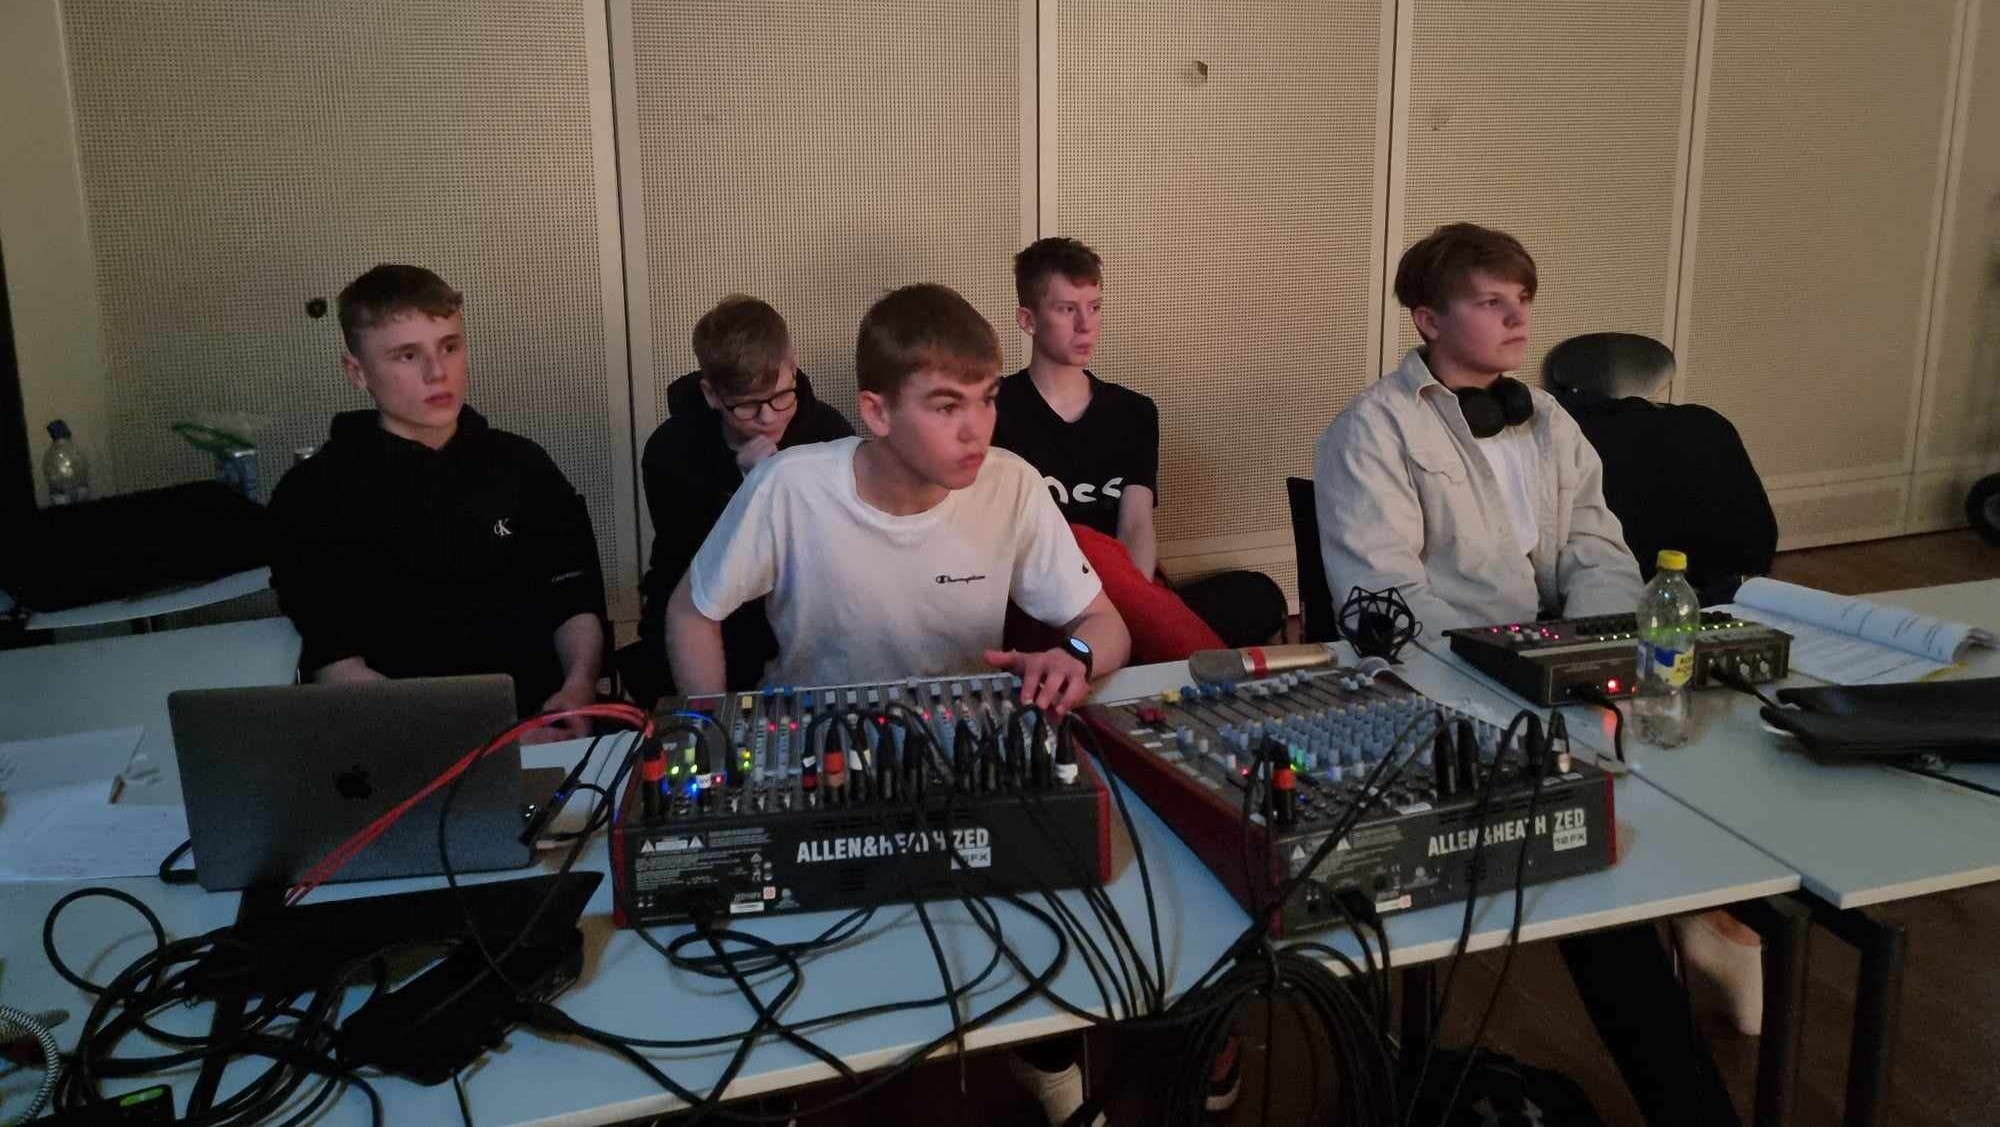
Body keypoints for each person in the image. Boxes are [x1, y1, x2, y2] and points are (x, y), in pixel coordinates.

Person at [1315, 224, 1742, 1125]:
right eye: (1491, 302)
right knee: (1604, 895)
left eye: (1523, 302)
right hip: (1456, 689)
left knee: (1707, 775)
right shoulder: (1371, 430)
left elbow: (1596, 546)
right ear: (1428, 318)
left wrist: (1594, 648)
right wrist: (1522, 667)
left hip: (1563, 674)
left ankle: (1711, 915)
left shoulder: (1550, 419)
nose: (1518, 320)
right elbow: (1384, 600)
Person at [665, 281, 1130, 716]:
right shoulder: (788, 484)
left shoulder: (1013, 484)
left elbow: (1105, 624)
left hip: (961, 732)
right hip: (816, 733)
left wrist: (1076, 655)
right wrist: (711, 731)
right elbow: (691, 611)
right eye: (947, 406)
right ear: (878, 412)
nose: (976, 430)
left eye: (986, 399)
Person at [268, 264, 606, 741]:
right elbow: (335, 663)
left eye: (449, 347)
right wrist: (487, 738)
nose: (437, 372)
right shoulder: (314, 495)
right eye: (407, 356)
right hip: (407, 743)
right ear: (357, 372)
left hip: (548, 726)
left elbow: (572, 597)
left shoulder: (521, 463)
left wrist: (578, 687)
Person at [994, 237, 1285, 657]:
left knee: (1258, 596)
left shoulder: (1133, 412)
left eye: (1095, 307)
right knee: (1080, 542)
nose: (1086, 325)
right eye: (1067, 309)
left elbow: (1136, 524)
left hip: (1128, 587)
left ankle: (1126, 643)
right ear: (1029, 320)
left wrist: (1127, 605)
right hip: (1045, 603)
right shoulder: (995, 408)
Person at [632, 296, 852, 700]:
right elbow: (702, 566)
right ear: (712, 394)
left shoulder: (828, 433)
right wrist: (752, 489)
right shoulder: (671, 448)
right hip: (703, 617)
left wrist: (776, 480)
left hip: (798, 614)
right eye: (748, 406)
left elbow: (834, 556)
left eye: (781, 396)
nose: (768, 418)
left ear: (792, 367)